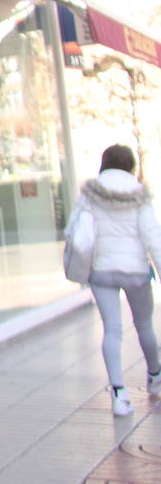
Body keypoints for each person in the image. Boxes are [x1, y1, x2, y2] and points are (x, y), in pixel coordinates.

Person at [76, 144, 161, 416]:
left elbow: (77, 230)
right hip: (135, 271)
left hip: (101, 270)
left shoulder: (90, 193)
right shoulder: (139, 193)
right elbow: (152, 237)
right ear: (130, 165)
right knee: (144, 325)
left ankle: (119, 394)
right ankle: (155, 376)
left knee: (112, 330)